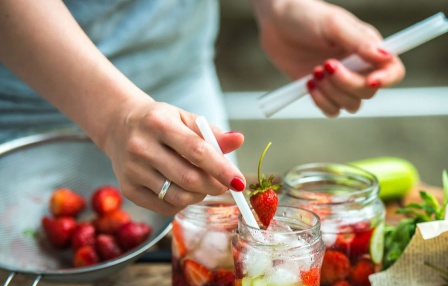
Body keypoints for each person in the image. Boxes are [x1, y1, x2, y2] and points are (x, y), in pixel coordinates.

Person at [0, 0, 405, 216]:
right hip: (25, 103)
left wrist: (278, 6)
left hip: (179, 83)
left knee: (211, 235)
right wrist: (113, 116)